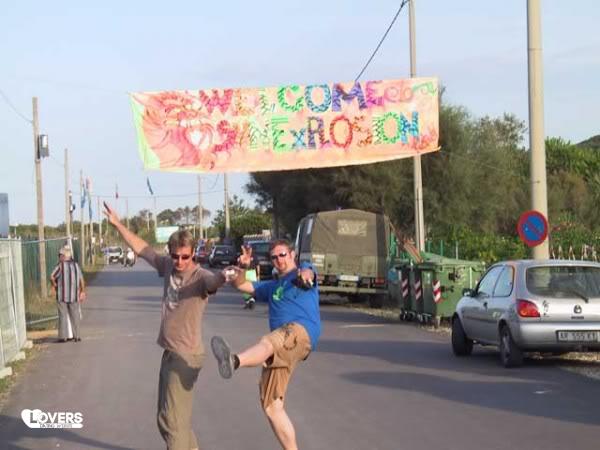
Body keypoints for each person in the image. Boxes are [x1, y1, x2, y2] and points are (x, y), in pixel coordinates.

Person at [103, 202, 226, 450]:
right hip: (171, 352)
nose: (180, 261)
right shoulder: (168, 266)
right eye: (175, 256)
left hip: (186, 355)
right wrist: (118, 225)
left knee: (172, 422)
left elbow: (214, 282)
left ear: (193, 254)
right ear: (170, 253)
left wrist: (225, 276)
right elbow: (142, 248)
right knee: (168, 419)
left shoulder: (200, 276)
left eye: (185, 257)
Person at [211, 239, 321, 450]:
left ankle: (234, 361)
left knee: (269, 341)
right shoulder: (272, 287)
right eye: (274, 257)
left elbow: (309, 273)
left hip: (300, 332)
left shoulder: (303, 271)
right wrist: (242, 266)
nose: (279, 260)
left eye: (283, 255)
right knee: (271, 406)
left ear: (292, 255)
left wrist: (305, 275)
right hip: (284, 347)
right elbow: (242, 285)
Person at [50, 245, 86, 342]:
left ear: (63, 256)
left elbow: (52, 276)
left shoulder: (60, 266)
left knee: (63, 316)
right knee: (75, 316)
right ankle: (77, 336)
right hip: (74, 295)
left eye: (60, 255)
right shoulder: (76, 266)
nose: (59, 257)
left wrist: (54, 284)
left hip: (62, 295)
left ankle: (63, 337)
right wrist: (82, 291)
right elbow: (81, 280)